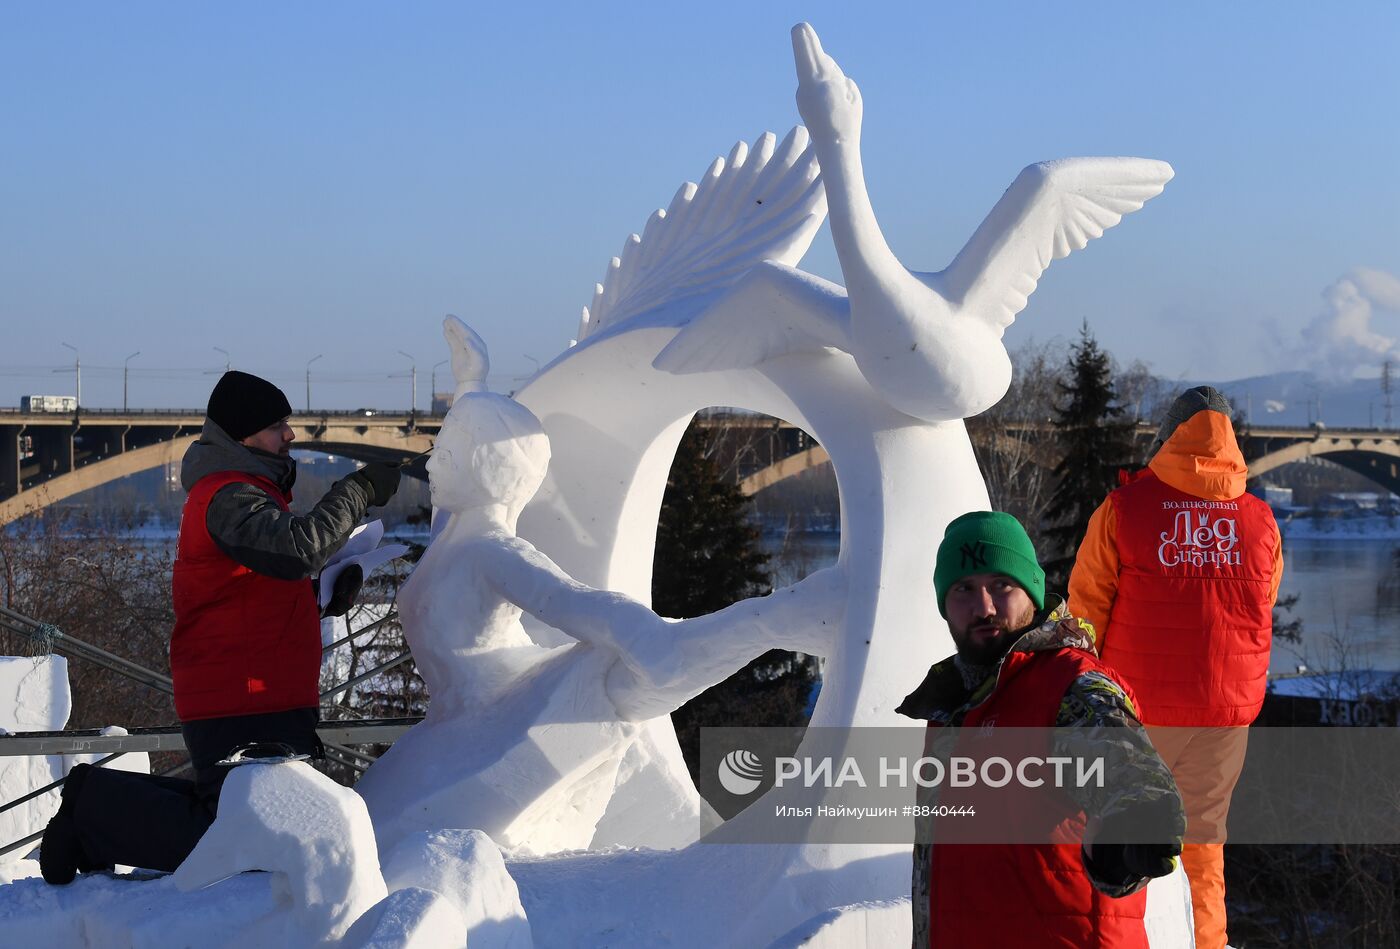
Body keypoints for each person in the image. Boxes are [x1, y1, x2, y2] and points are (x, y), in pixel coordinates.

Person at [40, 370, 403, 883]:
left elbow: (255, 592)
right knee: (233, 836)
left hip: (264, 688)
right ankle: (91, 811)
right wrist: (359, 489)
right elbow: (299, 549)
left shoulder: (251, 495)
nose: (290, 436)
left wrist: (324, 594)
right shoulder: (229, 496)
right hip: (241, 694)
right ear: (244, 434)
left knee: (241, 822)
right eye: (279, 425)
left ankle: (94, 805)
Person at [897, 511, 1185, 949]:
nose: (984, 607)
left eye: (1001, 585)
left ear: (1031, 589)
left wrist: (1131, 832)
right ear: (944, 604)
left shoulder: (1071, 686)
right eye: (963, 590)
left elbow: (1125, 762)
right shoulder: (953, 708)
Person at [1069, 385, 1283, 949]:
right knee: (1204, 847)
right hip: (1225, 715)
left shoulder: (1126, 509)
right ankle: (1205, 943)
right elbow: (1264, 602)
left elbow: (1086, 609)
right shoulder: (1260, 521)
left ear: (1165, 439)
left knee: (1121, 838)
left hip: (1140, 711)